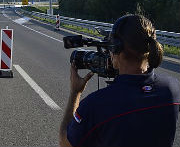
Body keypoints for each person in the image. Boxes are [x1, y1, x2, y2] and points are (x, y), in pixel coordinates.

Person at [59, 14, 180, 147]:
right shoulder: (173, 88)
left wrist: (75, 93)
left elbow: (65, 143)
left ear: (116, 49)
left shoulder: (96, 104)